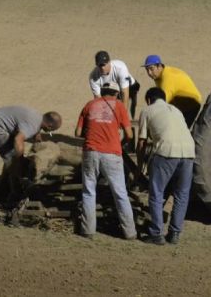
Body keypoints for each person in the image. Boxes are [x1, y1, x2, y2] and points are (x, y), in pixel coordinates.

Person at [74, 82, 137, 240]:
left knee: (89, 191)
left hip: (90, 152)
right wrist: (119, 141)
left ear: (102, 92)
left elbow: (77, 132)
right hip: (111, 154)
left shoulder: (89, 105)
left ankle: (88, 230)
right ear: (116, 94)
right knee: (120, 193)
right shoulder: (120, 106)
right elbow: (129, 134)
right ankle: (130, 232)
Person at [137, 87, 195, 245]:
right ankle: (174, 233)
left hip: (166, 151)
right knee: (182, 196)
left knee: (156, 193)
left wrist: (139, 167)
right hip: (189, 152)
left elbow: (141, 142)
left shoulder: (147, 110)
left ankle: (156, 233)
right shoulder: (176, 110)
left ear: (149, 100)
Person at [0, 106, 62, 205]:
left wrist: (36, 135)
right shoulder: (33, 125)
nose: (51, 132)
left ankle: (3, 188)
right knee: (12, 161)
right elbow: (18, 139)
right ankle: (7, 195)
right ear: (49, 126)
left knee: (11, 160)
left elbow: (26, 125)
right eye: (52, 130)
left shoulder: (37, 116)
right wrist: (19, 159)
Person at [142, 54, 202, 128]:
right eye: (147, 70)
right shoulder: (159, 75)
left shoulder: (167, 78)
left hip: (191, 102)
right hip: (181, 102)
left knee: (178, 130)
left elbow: (162, 104)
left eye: (151, 69)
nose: (149, 73)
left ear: (159, 66)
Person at [89, 50, 139, 118]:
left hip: (130, 85)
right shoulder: (93, 77)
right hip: (110, 89)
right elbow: (98, 99)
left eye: (104, 65)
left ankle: (131, 117)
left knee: (129, 104)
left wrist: (123, 117)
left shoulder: (120, 68)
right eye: (99, 65)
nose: (102, 68)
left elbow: (125, 93)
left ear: (109, 62)